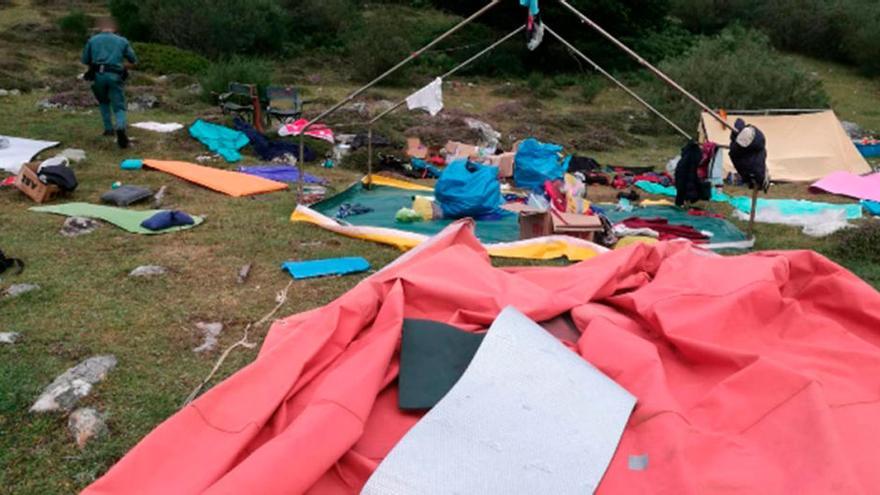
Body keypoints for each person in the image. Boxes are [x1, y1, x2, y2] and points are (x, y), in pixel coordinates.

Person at [81, 18, 137, 149]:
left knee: (103, 102)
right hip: (115, 75)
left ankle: (108, 129)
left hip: (97, 76)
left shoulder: (93, 40)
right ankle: (120, 127)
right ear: (114, 28)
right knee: (119, 106)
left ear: (101, 27)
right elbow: (133, 60)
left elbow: (85, 60)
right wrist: (122, 66)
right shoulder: (122, 41)